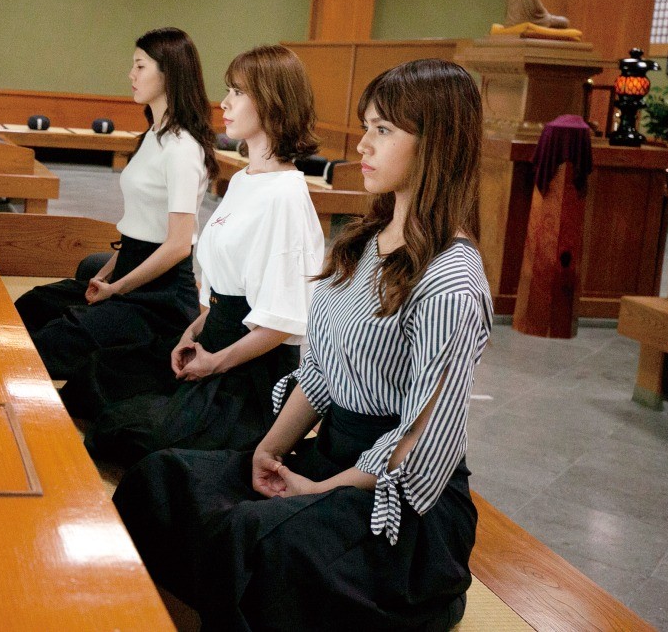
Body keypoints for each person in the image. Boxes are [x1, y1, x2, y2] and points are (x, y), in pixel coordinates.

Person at [113, 58, 493, 631]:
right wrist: (268, 452)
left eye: (383, 130)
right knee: (161, 481)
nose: (362, 144)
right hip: (328, 459)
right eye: (366, 126)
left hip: (395, 505)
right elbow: (318, 377)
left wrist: (318, 490)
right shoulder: (366, 241)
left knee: (249, 540)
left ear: (437, 144)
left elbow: (418, 446)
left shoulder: (451, 280)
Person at [64, 45, 325, 468]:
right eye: (228, 90)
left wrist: (214, 362)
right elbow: (223, 289)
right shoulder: (245, 179)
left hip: (250, 376)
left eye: (237, 92)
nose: (225, 103)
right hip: (213, 339)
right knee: (96, 379)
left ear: (272, 101)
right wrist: (192, 333)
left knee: (128, 437)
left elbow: (280, 324)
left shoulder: (286, 198)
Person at [15, 27, 218, 383]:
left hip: (161, 298)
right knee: (33, 304)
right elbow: (138, 227)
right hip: (128, 273)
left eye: (140, 66)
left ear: (168, 73)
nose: (131, 75)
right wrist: (106, 274)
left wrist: (118, 288)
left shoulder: (182, 149)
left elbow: (177, 246)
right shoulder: (153, 135)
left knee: (50, 344)